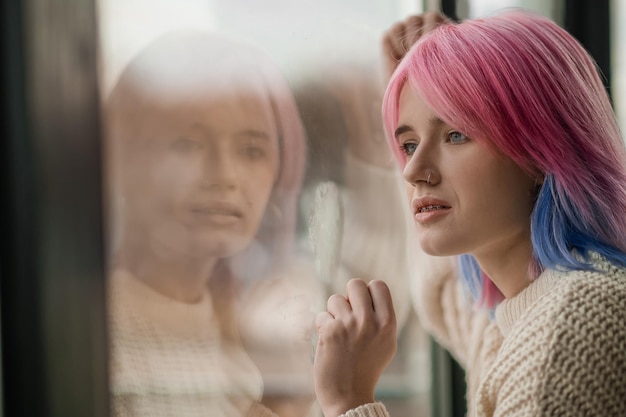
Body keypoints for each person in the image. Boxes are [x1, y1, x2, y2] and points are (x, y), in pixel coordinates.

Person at [312, 8, 626, 417]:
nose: (411, 170)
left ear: (540, 152)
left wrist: (349, 401)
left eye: (456, 134)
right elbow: (446, 294)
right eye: (407, 145)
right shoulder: (519, 318)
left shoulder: (572, 327)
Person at [104, 30, 324, 417]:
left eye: (252, 150)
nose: (224, 175)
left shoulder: (248, 323)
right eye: (188, 144)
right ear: (126, 161)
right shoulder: (103, 338)